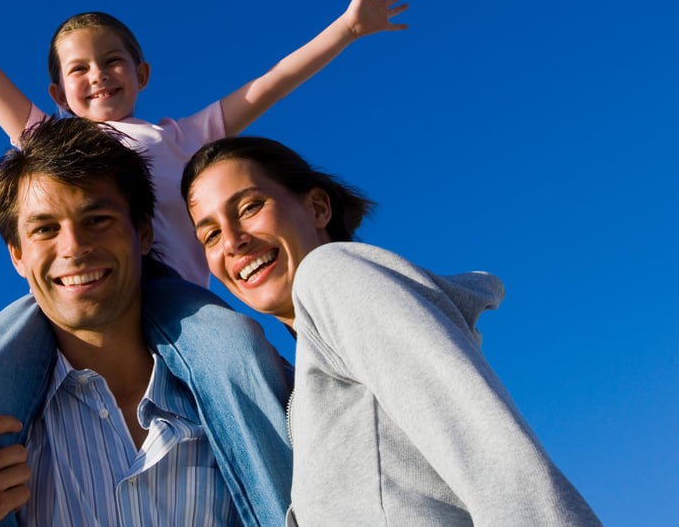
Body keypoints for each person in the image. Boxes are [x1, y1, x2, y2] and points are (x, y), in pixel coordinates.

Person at [0, 0, 407, 285]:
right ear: (58, 92)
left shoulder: (181, 137)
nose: (98, 75)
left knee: (237, 361)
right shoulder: (49, 141)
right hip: (88, 288)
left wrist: (348, 29)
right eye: (79, 70)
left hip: (179, 302)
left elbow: (268, 85)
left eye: (113, 62)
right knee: (3, 348)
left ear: (142, 74)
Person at [181, 136, 603, 526]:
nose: (233, 242)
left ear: (317, 208)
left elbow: (493, 456)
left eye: (250, 207)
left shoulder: (331, 275)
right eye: (211, 234)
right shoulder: (311, 375)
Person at [0, 117, 294, 527]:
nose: (74, 247)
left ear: (142, 232)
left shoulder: (253, 392)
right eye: (45, 229)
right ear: (17, 256)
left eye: (97, 219)